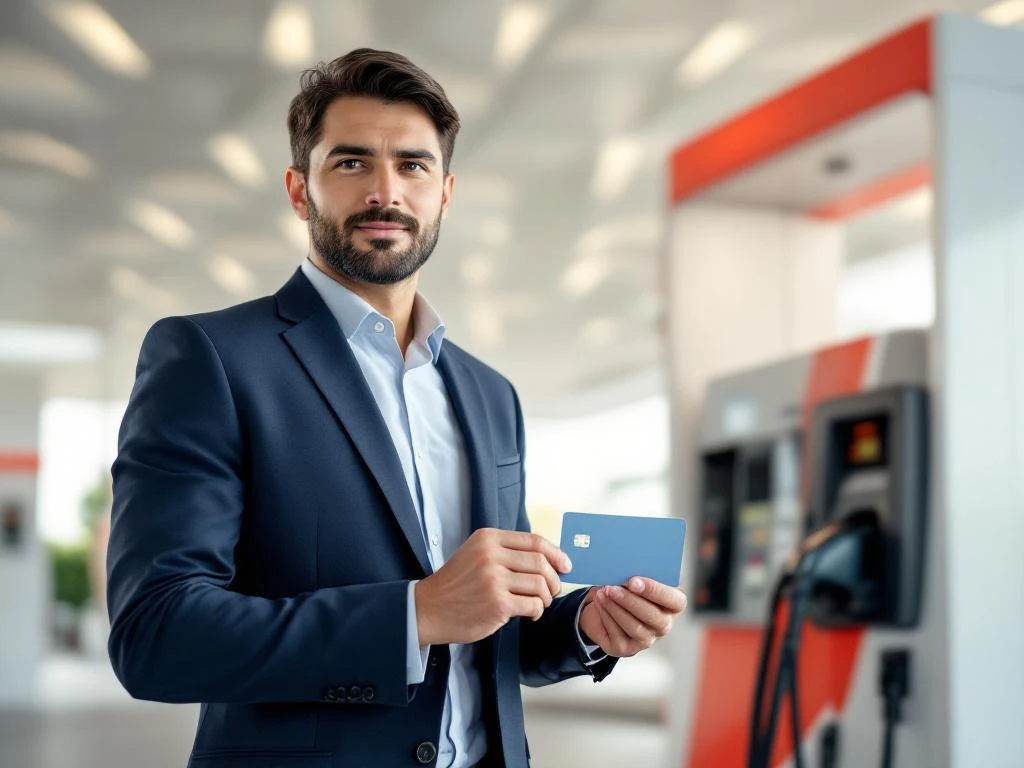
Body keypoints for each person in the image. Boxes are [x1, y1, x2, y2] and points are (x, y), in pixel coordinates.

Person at [106, 48, 687, 768]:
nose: (386, 191)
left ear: (445, 192)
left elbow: (487, 635)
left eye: (412, 166)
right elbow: (155, 635)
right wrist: (415, 613)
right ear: (298, 190)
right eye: (351, 163)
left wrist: (587, 628)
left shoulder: (488, 393)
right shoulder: (212, 359)